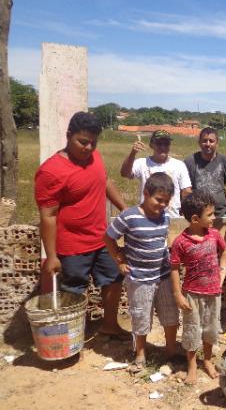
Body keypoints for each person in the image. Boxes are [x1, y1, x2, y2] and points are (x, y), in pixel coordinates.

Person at [35, 111, 128, 339]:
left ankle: (109, 325)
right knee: (73, 290)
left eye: (93, 143)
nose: (87, 148)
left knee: (114, 278)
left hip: (102, 238)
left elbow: (106, 181)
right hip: (72, 245)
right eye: (82, 142)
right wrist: (52, 255)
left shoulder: (95, 158)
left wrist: (125, 211)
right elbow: (47, 216)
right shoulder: (51, 171)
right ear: (69, 136)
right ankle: (72, 336)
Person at [104, 172, 179, 372]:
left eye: (166, 201)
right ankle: (140, 353)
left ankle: (171, 349)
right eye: (158, 200)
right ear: (145, 193)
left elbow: (163, 241)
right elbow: (109, 237)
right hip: (140, 278)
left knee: (170, 313)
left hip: (163, 275)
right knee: (141, 316)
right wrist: (119, 260)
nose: (162, 205)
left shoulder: (165, 216)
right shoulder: (129, 216)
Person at [170, 191, 226, 382]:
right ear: (195, 218)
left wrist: (223, 271)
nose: (214, 218)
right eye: (210, 215)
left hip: (213, 292)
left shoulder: (214, 235)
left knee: (211, 328)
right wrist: (178, 295)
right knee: (191, 329)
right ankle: (193, 364)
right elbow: (174, 268)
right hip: (191, 295)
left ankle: (208, 360)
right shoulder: (180, 242)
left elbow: (225, 250)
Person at [120, 129, 191, 218]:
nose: (162, 147)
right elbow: (125, 173)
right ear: (151, 145)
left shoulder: (179, 165)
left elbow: (186, 192)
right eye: (159, 143)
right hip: (146, 218)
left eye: (166, 144)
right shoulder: (142, 163)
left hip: (172, 217)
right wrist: (133, 153)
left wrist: (186, 212)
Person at [183, 127, 226, 217]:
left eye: (211, 141)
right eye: (204, 141)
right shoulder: (190, 162)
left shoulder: (225, 161)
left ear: (217, 143)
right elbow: (185, 189)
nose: (208, 144)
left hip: (220, 213)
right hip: (198, 214)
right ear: (199, 142)